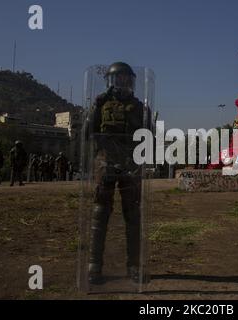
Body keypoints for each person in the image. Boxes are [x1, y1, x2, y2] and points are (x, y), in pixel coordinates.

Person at [85, 62, 145, 284]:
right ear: (111, 81)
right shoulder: (101, 105)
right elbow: (87, 133)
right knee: (100, 214)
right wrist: (95, 107)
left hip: (130, 163)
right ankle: (94, 266)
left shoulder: (139, 107)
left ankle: (134, 266)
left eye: (126, 79)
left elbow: (148, 138)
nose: (122, 84)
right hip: (106, 162)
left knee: (133, 215)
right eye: (118, 79)